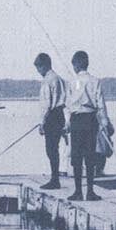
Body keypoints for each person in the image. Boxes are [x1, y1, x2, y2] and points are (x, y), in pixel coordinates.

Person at [63, 50, 107, 200]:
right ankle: (90, 191)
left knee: (76, 156)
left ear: (75, 65)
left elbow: (68, 105)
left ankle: (77, 191)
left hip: (76, 120)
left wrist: (67, 122)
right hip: (90, 119)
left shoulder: (71, 82)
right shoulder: (95, 81)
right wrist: (104, 123)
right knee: (90, 155)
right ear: (87, 64)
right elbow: (100, 105)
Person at [33, 53, 66, 189]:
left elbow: (46, 104)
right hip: (60, 114)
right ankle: (55, 177)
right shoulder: (59, 78)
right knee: (55, 148)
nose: (38, 72)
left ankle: (54, 179)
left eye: (39, 68)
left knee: (51, 149)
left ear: (44, 66)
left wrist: (42, 122)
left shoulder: (47, 80)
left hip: (51, 116)